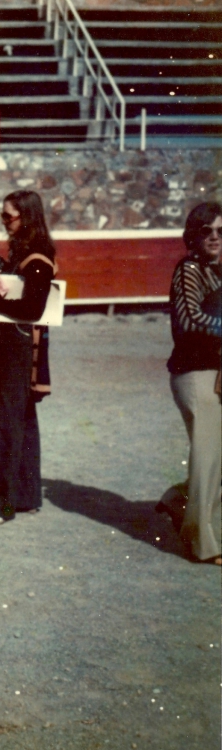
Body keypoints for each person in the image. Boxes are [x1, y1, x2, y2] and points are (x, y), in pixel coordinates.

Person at [0, 190, 57, 526]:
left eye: (8, 216)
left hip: (21, 346)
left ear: (26, 216)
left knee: (9, 422)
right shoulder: (27, 253)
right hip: (18, 344)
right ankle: (25, 494)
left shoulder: (37, 257)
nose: (4, 222)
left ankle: (2, 503)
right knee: (22, 418)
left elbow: (32, 308)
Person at [162, 202, 221, 566]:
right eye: (206, 231)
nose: (214, 237)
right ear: (193, 236)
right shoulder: (189, 269)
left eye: (221, 231)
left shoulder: (217, 272)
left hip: (215, 374)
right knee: (208, 459)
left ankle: (177, 502)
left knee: (215, 459)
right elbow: (189, 319)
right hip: (194, 374)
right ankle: (203, 544)